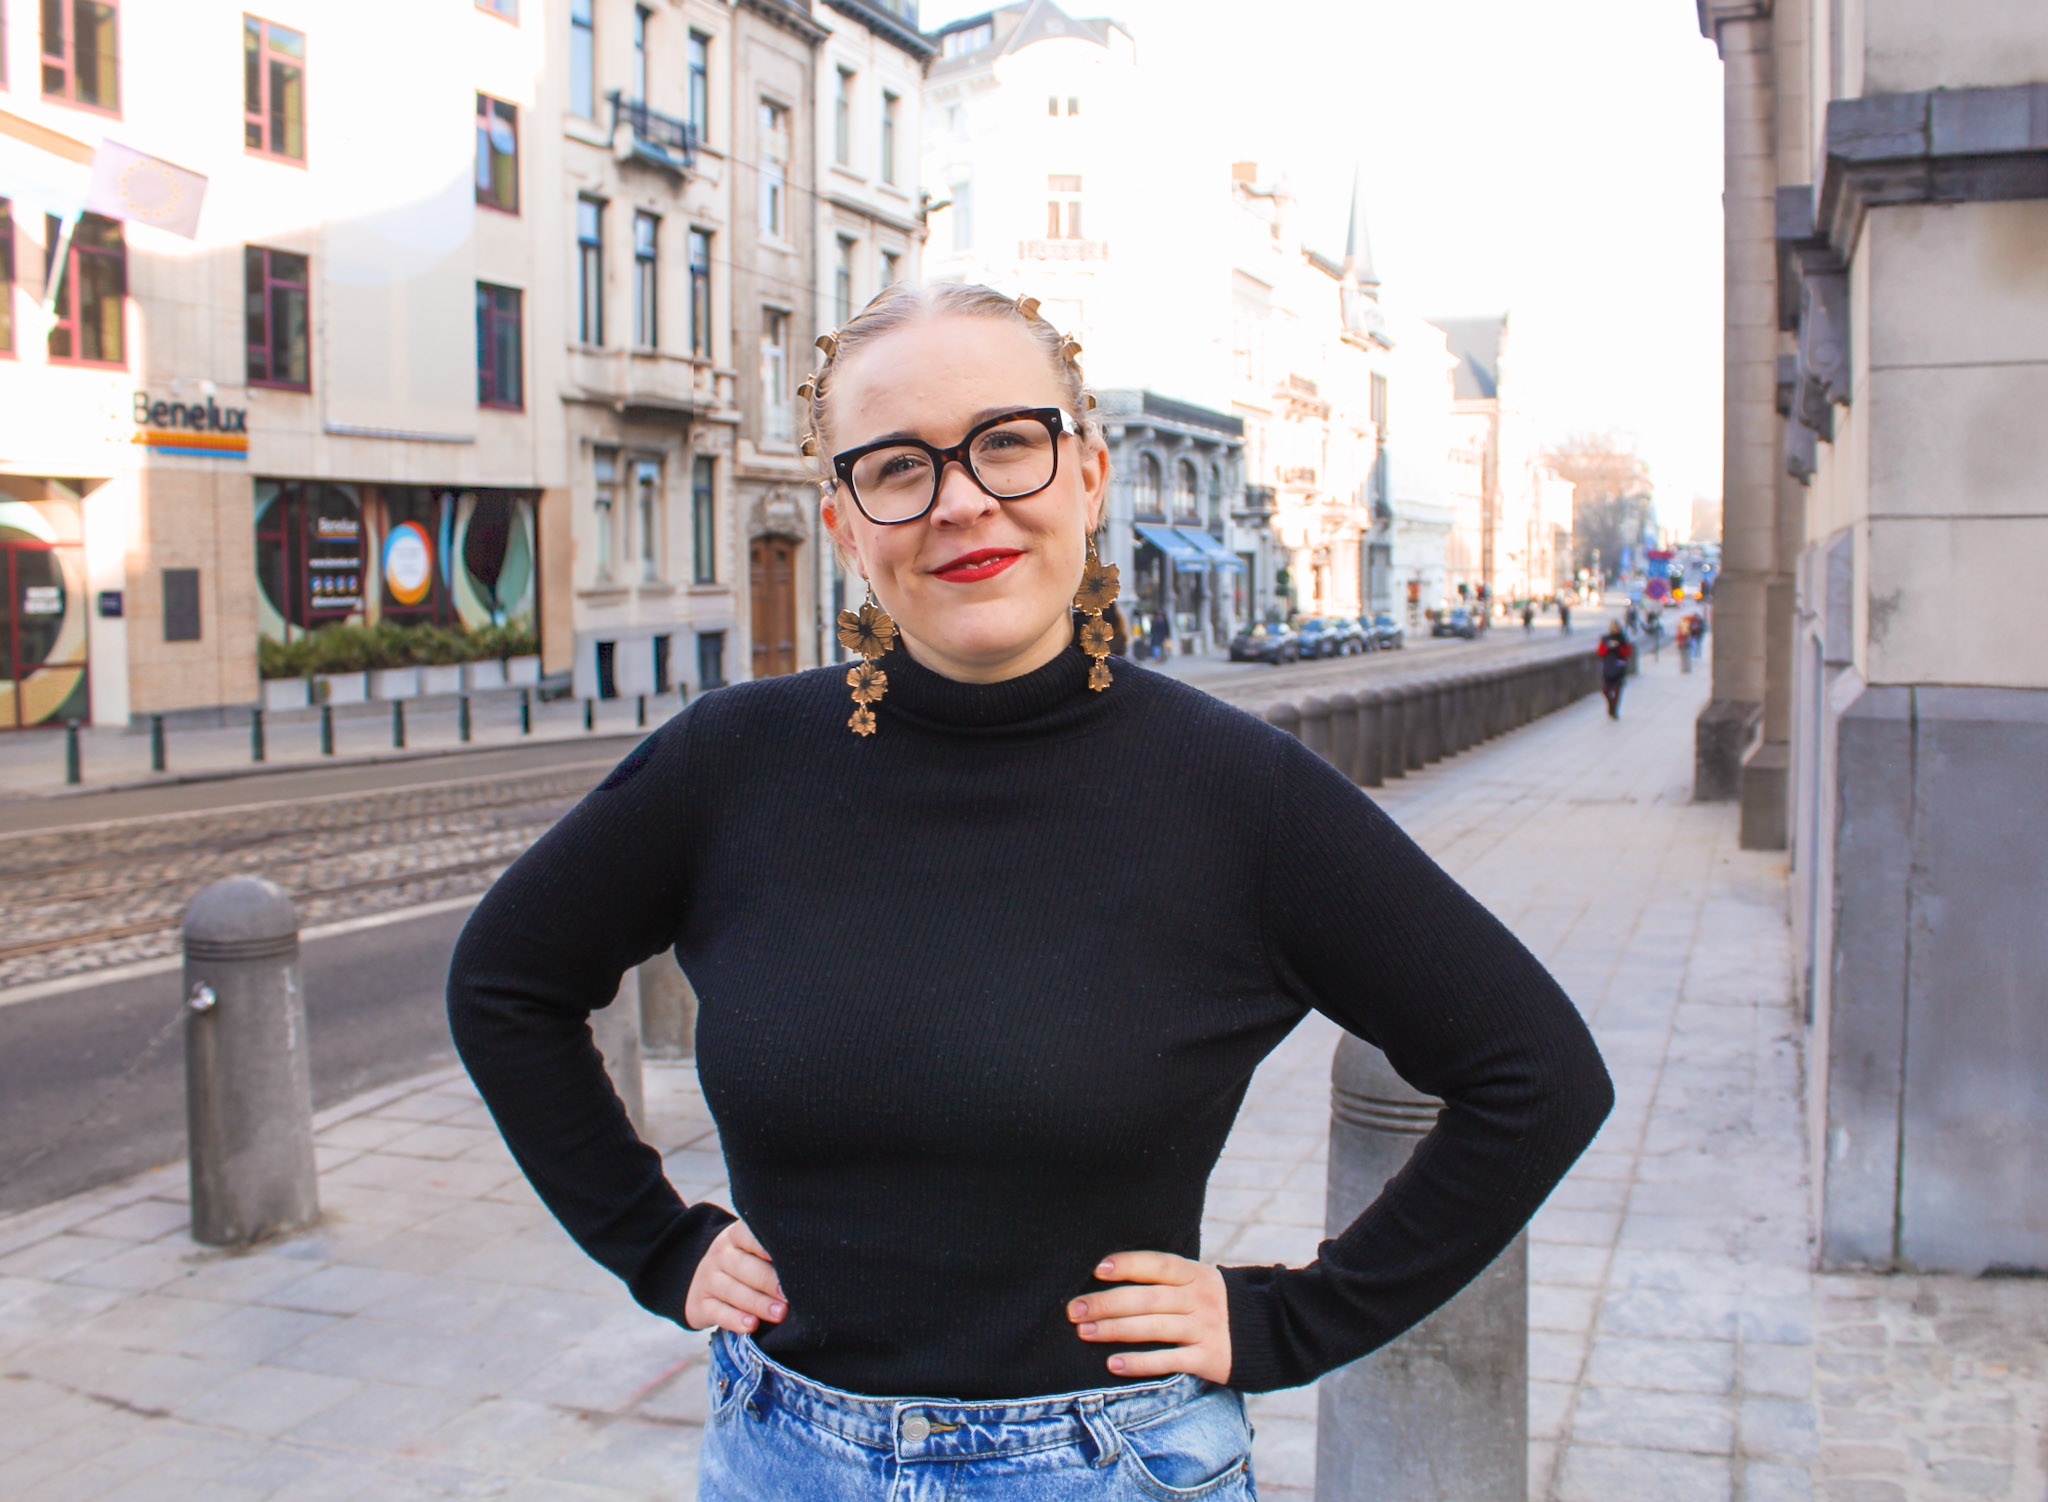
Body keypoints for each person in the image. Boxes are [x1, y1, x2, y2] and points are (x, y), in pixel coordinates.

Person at [447, 283, 1612, 1502]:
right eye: (898, 466)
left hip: (1106, 1466)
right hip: (785, 1459)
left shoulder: (1236, 791)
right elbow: (505, 983)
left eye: (1007, 442)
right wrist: (651, 1240)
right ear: (845, 524)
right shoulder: (730, 764)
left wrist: (1288, 1320)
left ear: (1088, 472)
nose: (961, 499)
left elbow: (1534, 1073)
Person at [1599, 620, 1633, 718]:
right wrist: (1608, 647)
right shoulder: (1605, 639)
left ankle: (1614, 710)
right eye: (1613, 628)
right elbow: (1601, 652)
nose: (1614, 630)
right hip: (1608, 667)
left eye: (1616, 628)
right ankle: (1611, 705)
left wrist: (1618, 647)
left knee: (1617, 690)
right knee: (1606, 690)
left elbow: (1627, 653)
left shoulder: (1623, 639)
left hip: (1619, 667)